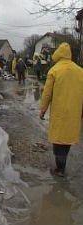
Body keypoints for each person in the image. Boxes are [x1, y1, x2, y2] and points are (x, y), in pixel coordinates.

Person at [39, 42, 83, 177]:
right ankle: (62, 165)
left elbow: (47, 93)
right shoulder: (80, 71)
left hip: (60, 111)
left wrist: (42, 110)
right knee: (67, 138)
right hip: (74, 111)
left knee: (58, 140)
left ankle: (60, 169)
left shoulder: (55, 70)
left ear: (58, 54)